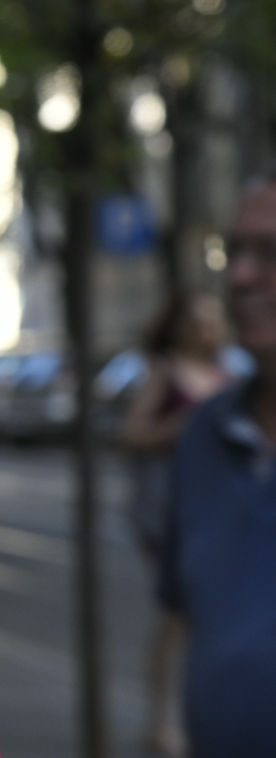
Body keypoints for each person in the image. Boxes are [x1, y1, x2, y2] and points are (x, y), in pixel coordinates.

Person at [161, 173, 276, 757]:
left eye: (269, 252)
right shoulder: (205, 432)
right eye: (234, 252)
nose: (240, 276)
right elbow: (179, 611)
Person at [120, 291, 235, 756]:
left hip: (220, 506)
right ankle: (162, 718)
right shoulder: (165, 372)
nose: (204, 330)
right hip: (170, 508)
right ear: (177, 326)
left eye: (211, 321)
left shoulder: (228, 374)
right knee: (176, 612)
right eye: (195, 321)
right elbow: (131, 433)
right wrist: (181, 426)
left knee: (216, 612)